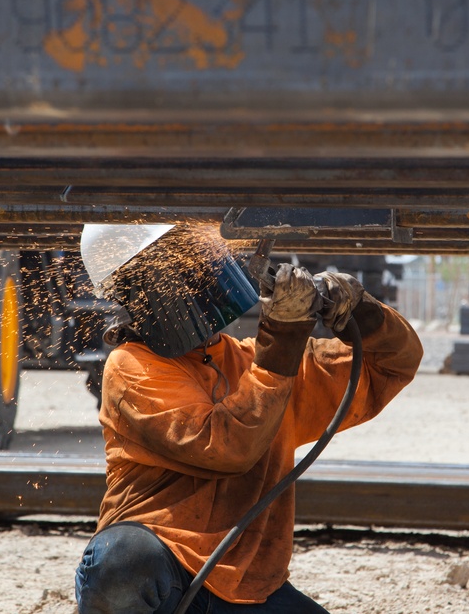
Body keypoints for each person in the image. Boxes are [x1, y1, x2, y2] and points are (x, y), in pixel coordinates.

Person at [75, 224, 423, 613]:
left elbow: (393, 364)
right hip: (163, 576)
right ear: (147, 288)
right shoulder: (133, 367)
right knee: (121, 564)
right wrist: (282, 342)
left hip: (245, 587)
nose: (198, 276)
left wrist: (360, 311)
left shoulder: (258, 361)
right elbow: (227, 448)